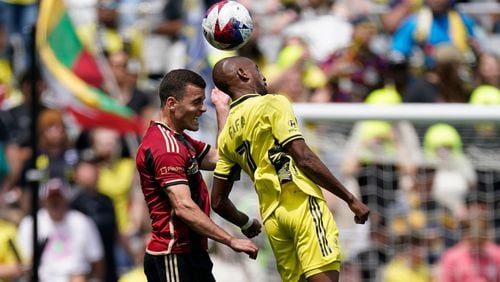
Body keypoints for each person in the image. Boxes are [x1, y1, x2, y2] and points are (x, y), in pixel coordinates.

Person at [210, 56, 370, 282]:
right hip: (301, 204)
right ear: (243, 74)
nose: (263, 76)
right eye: (257, 69)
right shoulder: (272, 103)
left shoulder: (226, 135)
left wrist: (245, 223)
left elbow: (217, 201)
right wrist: (350, 198)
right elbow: (303, 157)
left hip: (272, 219)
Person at [135, 69, 258, 282]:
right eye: (196, 102)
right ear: (172, 103)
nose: (202, 109)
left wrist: (222, 109)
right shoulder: (166, 148)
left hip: (191, 252)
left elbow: (221, 158)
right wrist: (230, 240)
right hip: (173, 255)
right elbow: (184, 207)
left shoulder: (179, 139)